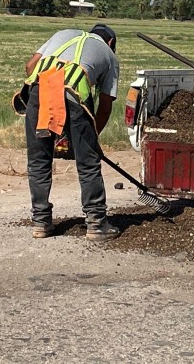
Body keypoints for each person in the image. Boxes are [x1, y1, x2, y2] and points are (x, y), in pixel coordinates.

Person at [22, 24, 120, 241]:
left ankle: (41, 223)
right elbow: (105, 105)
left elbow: (30, 67)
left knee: (39, 161)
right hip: (73, 94)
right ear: (111, 43)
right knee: (88, 164)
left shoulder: (61, 34)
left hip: (40, 90)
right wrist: (91, 143)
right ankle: (96, 224)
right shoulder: (109, 56)